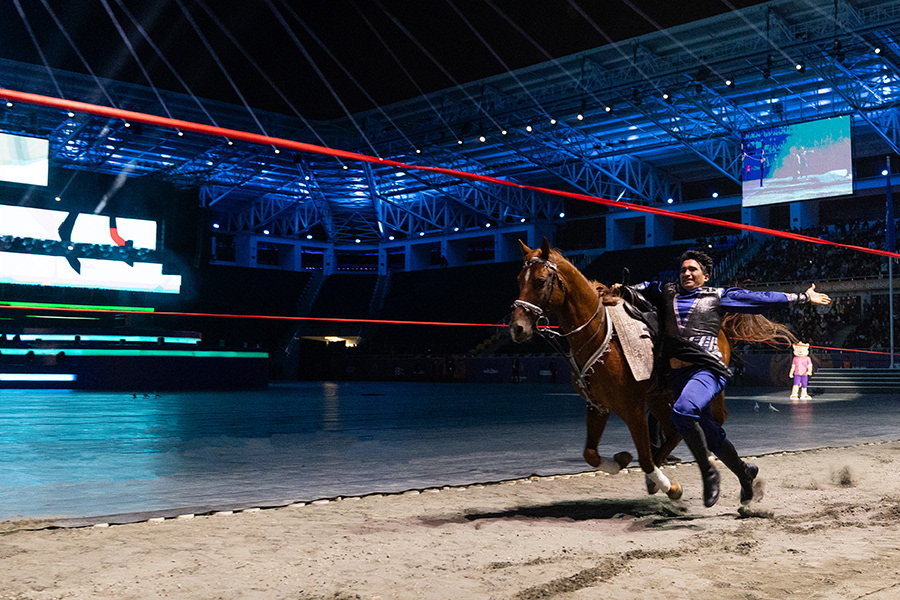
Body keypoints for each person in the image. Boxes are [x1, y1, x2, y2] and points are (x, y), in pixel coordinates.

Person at [616, 250, 831, 507]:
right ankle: (745, 474)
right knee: (712, 435)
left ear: (705, 276)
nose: (686, 273)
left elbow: (760, 298)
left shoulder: (718, 295)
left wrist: (803, 297)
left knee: (682, 413)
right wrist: (621, 289)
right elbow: (640, 289)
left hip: (707, 370)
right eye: (683, 269)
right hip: (679, 376)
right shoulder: (666, 290)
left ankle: (709, 472)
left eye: (693, 269)